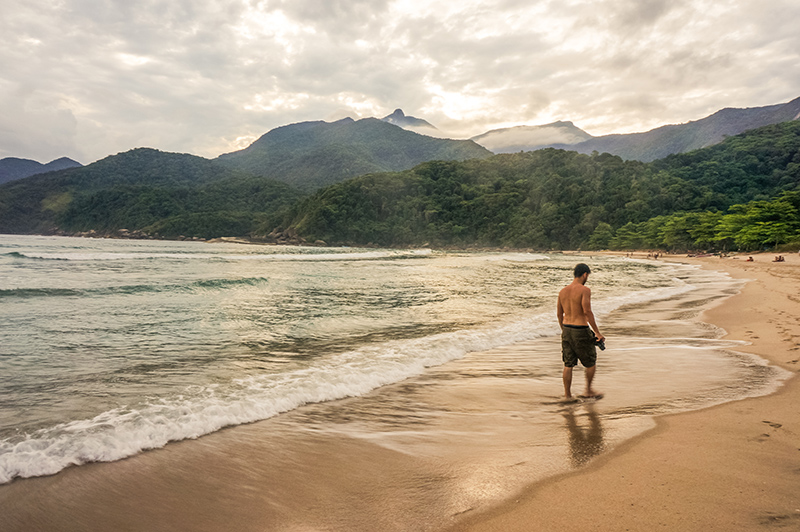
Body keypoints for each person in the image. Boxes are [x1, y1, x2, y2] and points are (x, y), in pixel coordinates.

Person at [557, 263, 604, 400]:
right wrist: (597, 332)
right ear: (585, 274)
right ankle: (588, 390)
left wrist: (564, 329)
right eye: (587, 276)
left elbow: (559, 314)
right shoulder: (584, 290)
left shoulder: (562, 291)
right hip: (580, 329)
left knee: (568, 364)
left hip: (566, 329)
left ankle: (567, 395)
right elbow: (587, 311)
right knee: (590, 361)